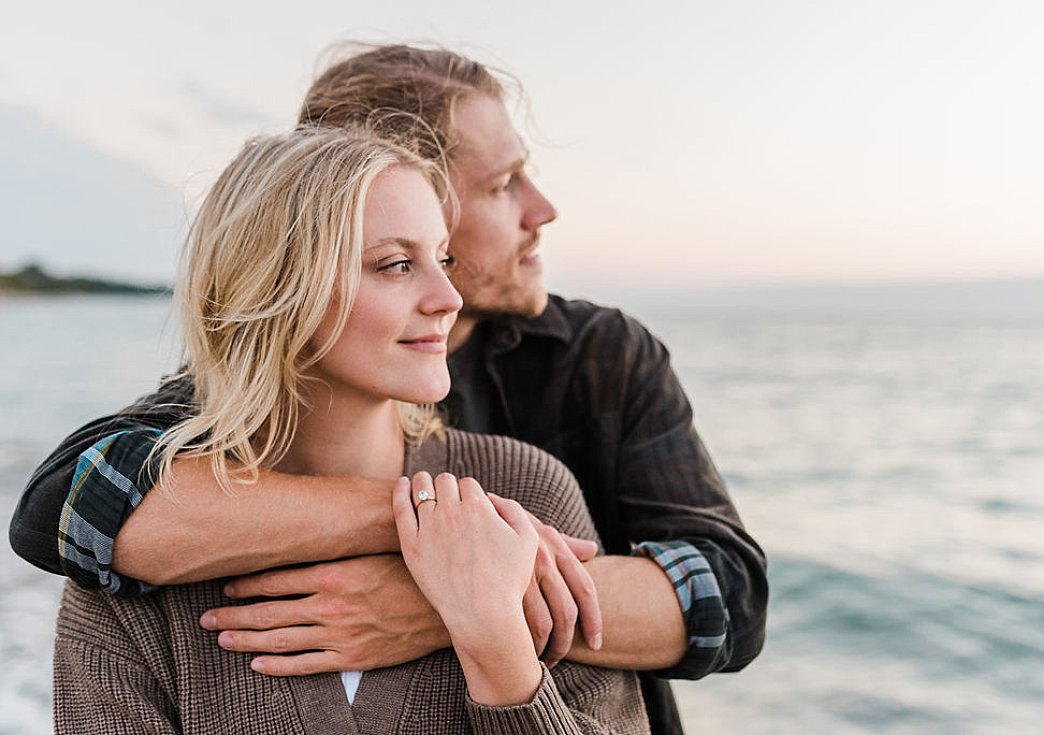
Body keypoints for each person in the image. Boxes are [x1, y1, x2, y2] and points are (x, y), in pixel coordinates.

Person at [11, 45, 767, 735]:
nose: (542, 210)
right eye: (502, 183)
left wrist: (467, 605)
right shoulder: (182, 478)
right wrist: (440, 526)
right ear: (288, 277)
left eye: (431, 255)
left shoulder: (596, 365)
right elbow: (71, 508)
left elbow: (730, 599)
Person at [54, 125, 651, 734]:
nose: (448, 296)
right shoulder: (145, 550)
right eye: (395, 265)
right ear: (277, 289)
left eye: (441, 259)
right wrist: (420, 525)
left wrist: (496, 646)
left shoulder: (529, 490)